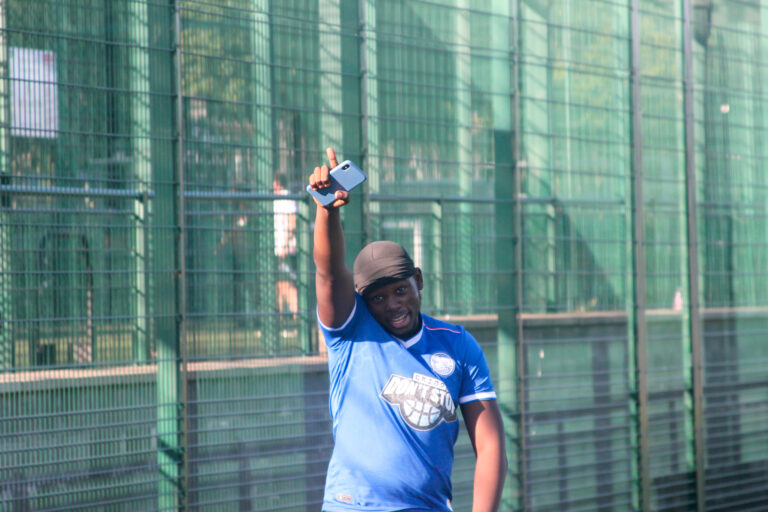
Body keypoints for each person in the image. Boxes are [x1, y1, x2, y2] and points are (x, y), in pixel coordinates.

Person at [309, 147, 507, 512]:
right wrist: (327, 211)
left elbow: (490, 444)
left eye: (401, 290)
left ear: (419, 281)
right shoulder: (350, 333)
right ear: (362, 300)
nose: (393, 304)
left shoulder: (457, 344)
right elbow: (329, 272)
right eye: (378, 298)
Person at [273, 172, 298, 318]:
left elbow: (292, 224)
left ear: (276, 183)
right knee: (280, 284)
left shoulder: (286, 197)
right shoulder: (276, 199)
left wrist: (285, 246)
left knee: (288, 284)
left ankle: (296, 317)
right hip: (278, 249)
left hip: (286, 249)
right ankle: (282, 317)